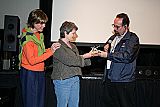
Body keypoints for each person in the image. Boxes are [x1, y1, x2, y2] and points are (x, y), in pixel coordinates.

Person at [18, 9, 61, 107]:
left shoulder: (38, 34)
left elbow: (40, 53)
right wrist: (51, 52)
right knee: (31, 102)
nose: (44, 26)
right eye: (41, 23)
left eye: (44, 23)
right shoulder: (28, 39)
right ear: (33, 22)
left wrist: (51, 48)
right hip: (30, 73)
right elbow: (32, 61)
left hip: (39, 71)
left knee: (39, 102)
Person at [98, 13, 140, 107]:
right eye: (114, 26)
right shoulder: (114, 37)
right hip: (110, 78)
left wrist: (107, 55)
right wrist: (107, 44)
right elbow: (109, 42)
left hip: (124, 80)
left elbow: (127, 56)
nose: (115, 29)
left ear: (126, 26)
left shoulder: (132, 38)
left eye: (118, 26)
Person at [51, 21, 96, 107]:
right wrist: (85, 56)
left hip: (75, 79)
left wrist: (91, 56)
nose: (75, 35)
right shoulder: (58, 46)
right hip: (63, 80)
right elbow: (70, 61)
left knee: (74, 105)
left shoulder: (73, 46)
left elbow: (77, 61)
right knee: (62, 105)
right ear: (65, 33)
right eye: (73, 33)